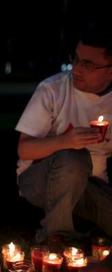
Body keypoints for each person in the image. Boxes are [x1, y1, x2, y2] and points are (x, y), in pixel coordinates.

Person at [16, 23, 112, 245]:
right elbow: (24, 148)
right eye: (76, 59)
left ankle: (88, 230)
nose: (76, 69)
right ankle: (56, 237)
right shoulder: (53, 90)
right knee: (73, 157)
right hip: (41, 179)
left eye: (88, 64)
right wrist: (65, 141)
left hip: (92, 185)